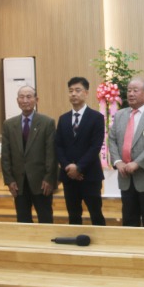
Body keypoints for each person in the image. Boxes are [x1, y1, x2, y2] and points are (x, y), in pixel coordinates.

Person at [108, 78, 144, 227]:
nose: (131, 94)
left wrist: (137, 163)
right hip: (126, 178)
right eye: (129, 90)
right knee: (129, 220)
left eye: (135, 90)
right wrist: (117, 161)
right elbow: (112, 139)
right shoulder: (120, 115)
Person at [1, 85, 58, 223]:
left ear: (36, 100)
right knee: (22, 220)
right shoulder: (9, 124)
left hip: (42, 182)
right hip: (19, 183)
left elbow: (51, 154)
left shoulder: (47, 122)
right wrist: (9, 180)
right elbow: (5, 156)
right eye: (21, 97)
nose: (25, 100)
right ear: (17, 100)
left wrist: (49, 178)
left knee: (45, 219)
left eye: (29, 96)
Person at [55, 76, 106, 225]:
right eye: (70, 91)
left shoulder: (96, 117)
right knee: (73, 215)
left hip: (89, 175)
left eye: (78, 90)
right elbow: (58, 146)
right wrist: (68, 167)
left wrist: (79, 167)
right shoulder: (63, 118)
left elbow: (95, 146)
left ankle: (100, 239)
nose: (73, 94)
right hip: (68, 176)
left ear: (86, 93)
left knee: (96, 214)